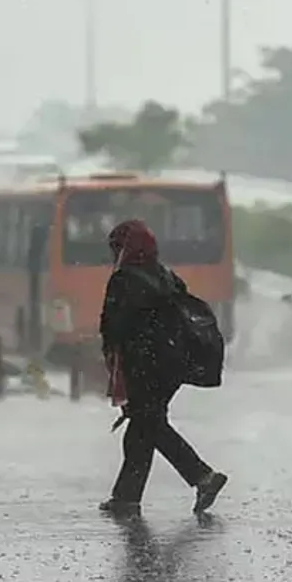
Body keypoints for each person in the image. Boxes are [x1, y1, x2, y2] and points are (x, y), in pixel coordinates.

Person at [98, 219, 228, 516]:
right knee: (143, 428)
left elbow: (113, 326)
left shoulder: (124, 280)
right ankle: (126, 498)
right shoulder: (167, 276)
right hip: (173, 364)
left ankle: (202, 476)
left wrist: (111, 361)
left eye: (115, 247)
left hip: (144, 365)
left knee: (149, 425)